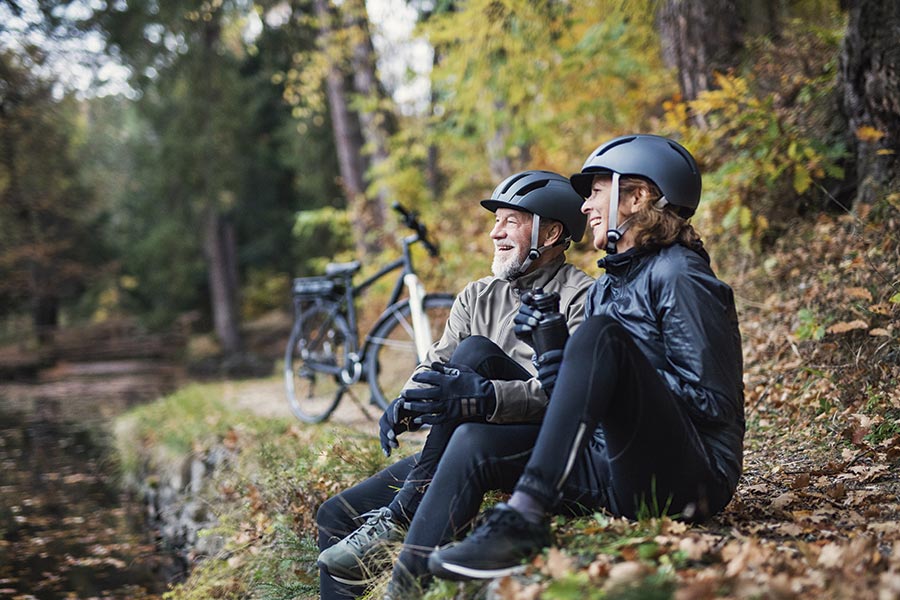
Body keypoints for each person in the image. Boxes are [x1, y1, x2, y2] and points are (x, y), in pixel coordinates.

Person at [422, 134, 745, 582]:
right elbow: (578, 410)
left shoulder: (681, 275)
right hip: (614, 466)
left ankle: (525, 518)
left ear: (636, 197)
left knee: (601, 336)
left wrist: (617, 366)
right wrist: (556, 357)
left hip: (693, 479)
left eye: (596, 192)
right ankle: (404, 580)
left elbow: (715, 404)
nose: (585, 206)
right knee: (473, 443)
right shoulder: (607, 287)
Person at [315, 170, 594, 599]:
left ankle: (401, 515)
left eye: (511, 221)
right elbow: (437, 363)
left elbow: (568, 394)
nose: (495, 232)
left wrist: (484, 398)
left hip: (532, 443)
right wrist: (408, 401)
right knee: (334, 515)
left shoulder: (581, 296)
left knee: (477, 354)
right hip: (464, 439)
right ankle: (393, 521)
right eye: (495, 221)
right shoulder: (476, 295)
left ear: (553, 232)